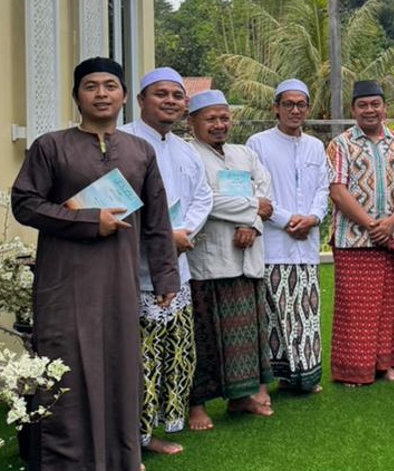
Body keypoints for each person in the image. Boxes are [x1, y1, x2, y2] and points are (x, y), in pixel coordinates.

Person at [12, 57, 179, 470]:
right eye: (90, 86)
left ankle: (121, 457)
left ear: (124, 96)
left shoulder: (140, 151)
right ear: (76, 96)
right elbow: (25, 203)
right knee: (66, 368)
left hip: (119, 282)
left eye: (109, 85)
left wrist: (165, 274)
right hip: (63, 281)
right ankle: (64, 460)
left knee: (118, 365)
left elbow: (157, 220)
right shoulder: (51, 146)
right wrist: (89, 220)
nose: (101, 93)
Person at [121, 67, 212, 455]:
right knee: (138, 358)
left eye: (177, 95)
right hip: (132, 267)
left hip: (177, 263)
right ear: (141, 100)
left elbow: (203, 196)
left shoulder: (184, 148)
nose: (170, 101)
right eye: (161, 94)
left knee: (169, 353)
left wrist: (182, 233)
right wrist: (162, 236)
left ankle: (152, 430)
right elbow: (116, 200)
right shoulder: (122, 140)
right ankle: (131, 435)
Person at [185, 89, 275, 429]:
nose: (219, 124)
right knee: (205, 336)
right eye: (210, 118)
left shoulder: (244, 153)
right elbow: (204, 199)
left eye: (224, 117)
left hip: (246, 256)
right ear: (191, 121)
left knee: (246, 335)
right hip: (209, 262)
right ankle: (197, 407)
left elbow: (265, 192)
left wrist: (250, 223)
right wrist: (252, 208)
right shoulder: (188, 154)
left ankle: (240, 398)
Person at [328, 80, 394, 384]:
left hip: (388, 237)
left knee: (386, 305)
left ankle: (386, 363)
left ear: (384, 107)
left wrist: (392, 220)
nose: (370, 110)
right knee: (355, 309)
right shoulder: (340, 144)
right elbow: (337, 190)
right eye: (363, 105)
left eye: (375, 104)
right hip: (352, 239)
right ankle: (354, 369)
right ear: (353, 109)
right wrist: (370, 224)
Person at [246, 79, 329, 395]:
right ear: (276, 108)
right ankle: (277, 376)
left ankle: (305, 376)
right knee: (274, 314)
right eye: (288, 104)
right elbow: (259, 190)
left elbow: (323, 188)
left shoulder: (315, 146)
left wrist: (313, 217)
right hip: (275, 244)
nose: (295, 110)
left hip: (306, 245)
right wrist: (285, 220)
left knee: (305, 313)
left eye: (301, 104)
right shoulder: (259, 143)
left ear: (307, 108)